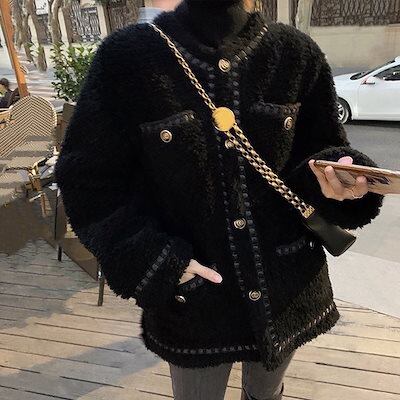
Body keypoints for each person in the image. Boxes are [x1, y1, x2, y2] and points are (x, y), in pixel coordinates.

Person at [54, 1, 384, 399]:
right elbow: (88, 179)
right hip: (194, 298)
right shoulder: (128, 58)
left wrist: (342, 177)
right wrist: (155, 261)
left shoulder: (295, 53)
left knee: (267, 395)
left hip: (287, 286)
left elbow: (320, 150)